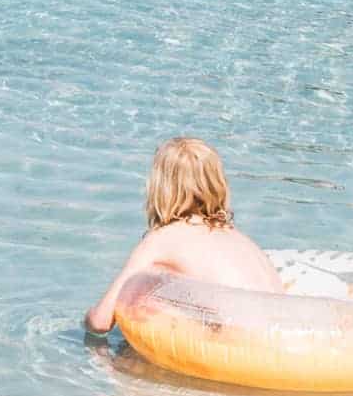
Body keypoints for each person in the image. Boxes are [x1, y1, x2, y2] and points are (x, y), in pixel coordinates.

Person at [85, 137, 282, 334]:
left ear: (161, 188)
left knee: (121, 354)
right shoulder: (240, 239)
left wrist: (86, 320)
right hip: (280, 340)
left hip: (244, 347)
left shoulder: (162, 239)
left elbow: (100, 322)